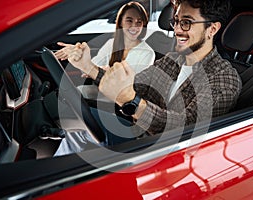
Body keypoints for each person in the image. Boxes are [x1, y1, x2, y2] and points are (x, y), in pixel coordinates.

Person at [56, 0, 242, 155]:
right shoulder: (173, 59)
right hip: (139, 133)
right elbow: (136, 84)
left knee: (81, 130)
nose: (177, 29)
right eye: (176, 21)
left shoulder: (224, 79)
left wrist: (131, 101)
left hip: (162, 152)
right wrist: (88, 66)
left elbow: (183, 129)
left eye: (186, 22)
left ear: (212, 29)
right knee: (77, 122)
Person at [55, 1, 155, 74]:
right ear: (120, 22)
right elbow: (89, 70)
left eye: (139, 22)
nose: (134, 26)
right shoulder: (111, 43)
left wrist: (106, 72)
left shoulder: (147, 53)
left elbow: (132, 87)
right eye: (129, 21)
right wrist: (81, 55)